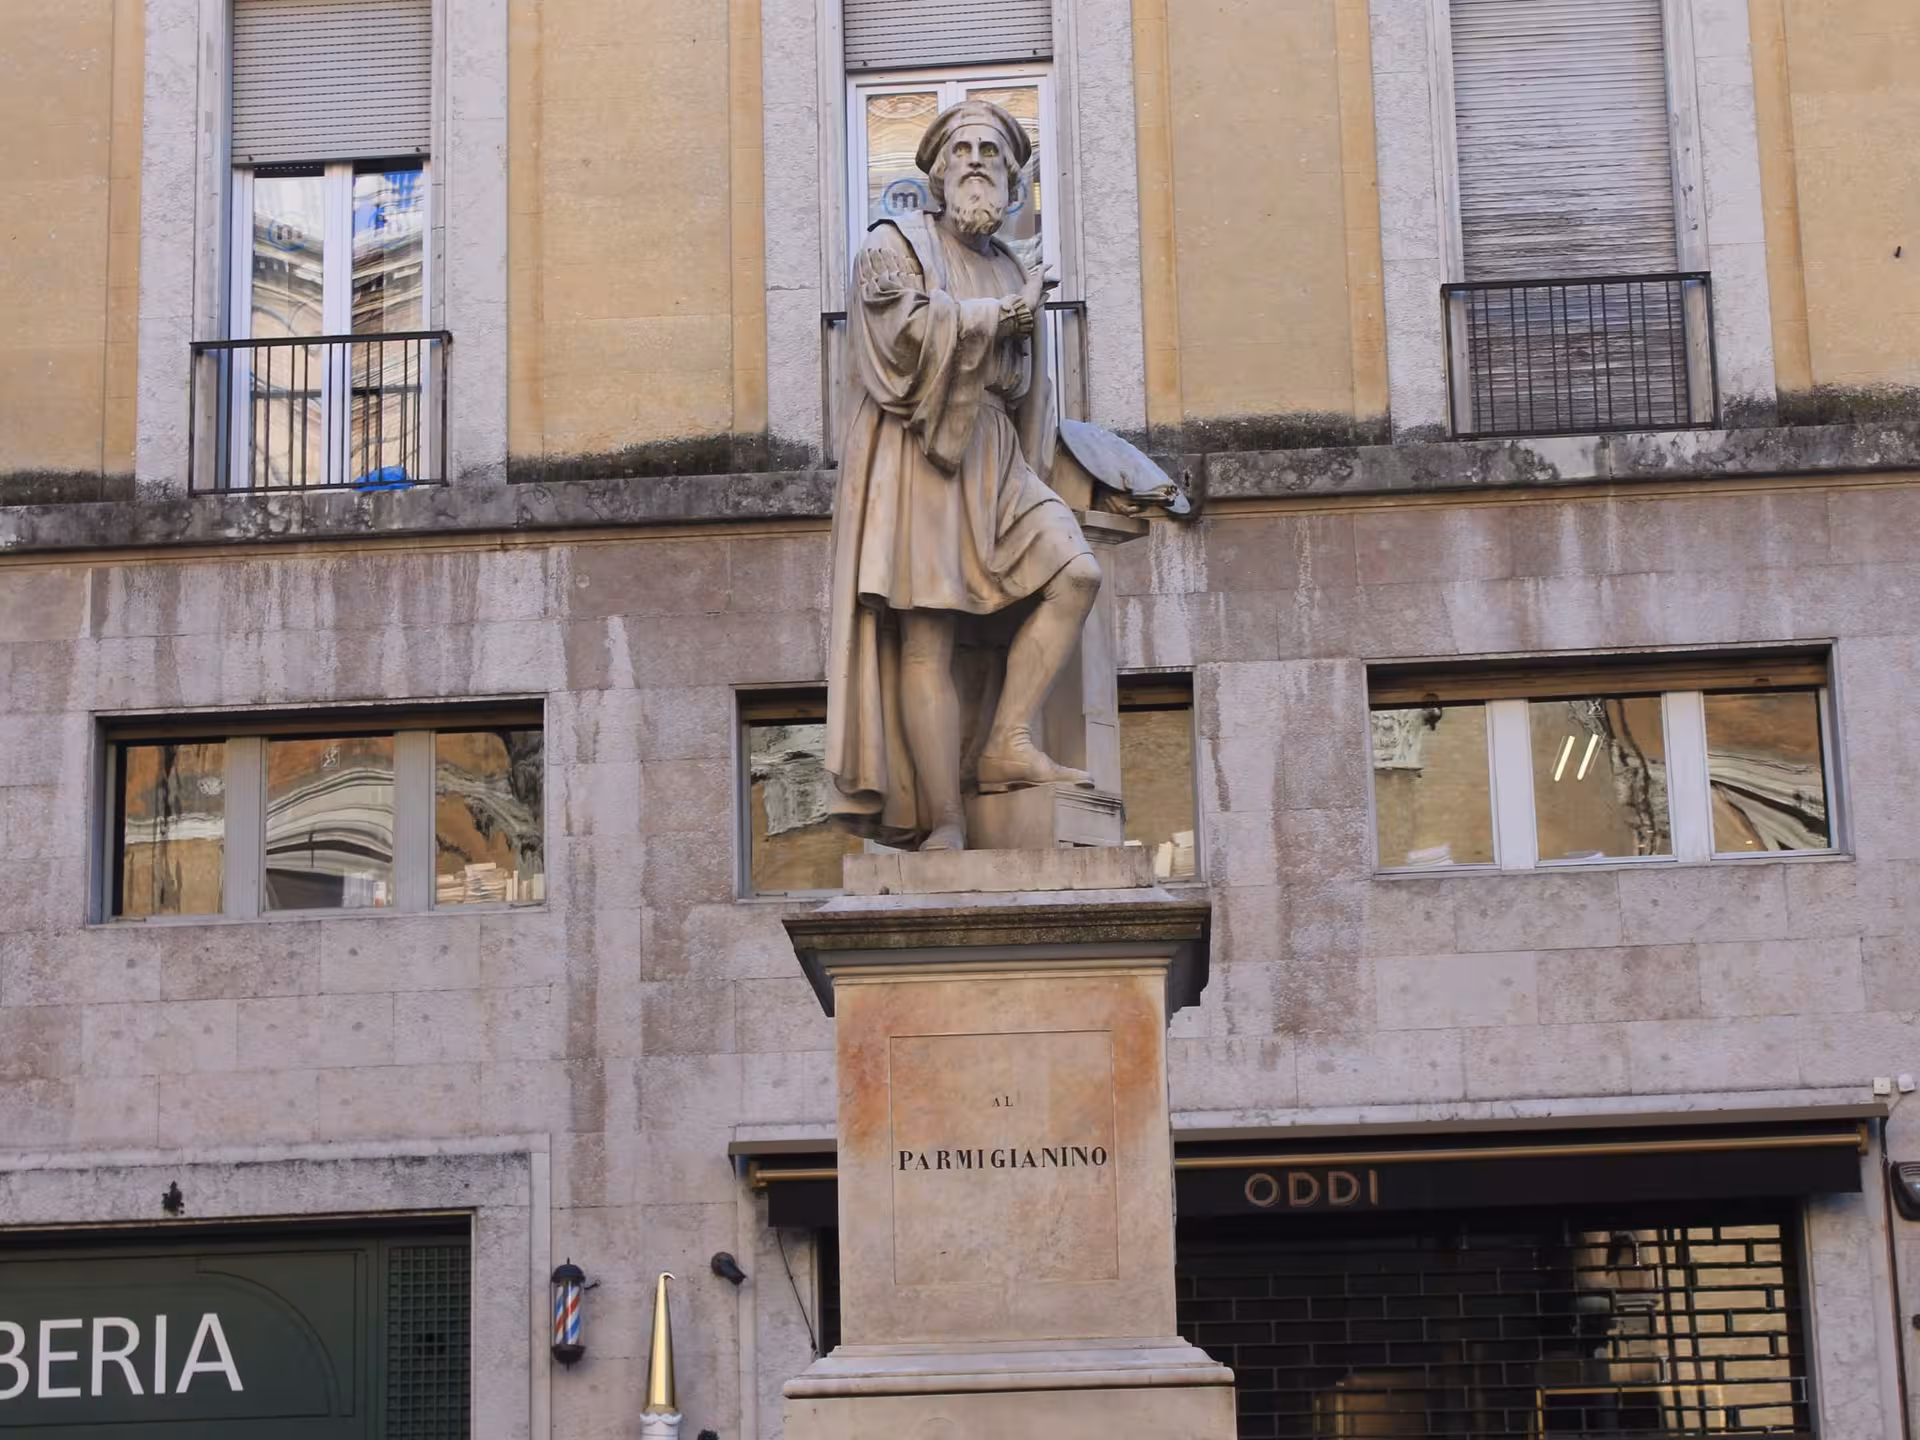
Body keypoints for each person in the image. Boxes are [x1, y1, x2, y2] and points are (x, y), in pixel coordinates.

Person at [823, 100, 1101, 854]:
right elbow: (896, 337)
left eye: (994, 154)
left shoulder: (1013, 264)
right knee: (927, 636)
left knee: (1075, 575)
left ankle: (1005, 741)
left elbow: (1023, 388)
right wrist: (992, 320)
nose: (977, 161)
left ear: (1012, 183)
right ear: (938, 174)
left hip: (994, 453)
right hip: (917, 447)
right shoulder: (893, 245)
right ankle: (943, 818)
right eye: (963, 151)